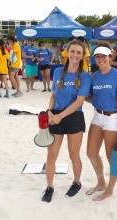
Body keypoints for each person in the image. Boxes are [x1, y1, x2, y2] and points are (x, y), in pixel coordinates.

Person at [42, 40, 91, 202]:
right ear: (67, 53)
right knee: (51, 156)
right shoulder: (57, 72)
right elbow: (53, 95)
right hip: (55, 116)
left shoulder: (84, 75)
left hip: (74, 117)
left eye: (79, 52)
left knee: (73, 154)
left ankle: (76, 182)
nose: (75, 55)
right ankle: (49, 187)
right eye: (73, 51)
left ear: (83, 56)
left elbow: (79, 101)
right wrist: (50, 111)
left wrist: (60, 116)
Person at [86, 42, 117, 201]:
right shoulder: (94, 76)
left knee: (112, 157)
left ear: (110, 57)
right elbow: (92, 97)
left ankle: (110, 190)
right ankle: (101, 183)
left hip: (113, 119)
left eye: (103, 56)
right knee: (91, 153)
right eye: (97, 56)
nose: (100, 59)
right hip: (97, 116)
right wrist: (81, 97)